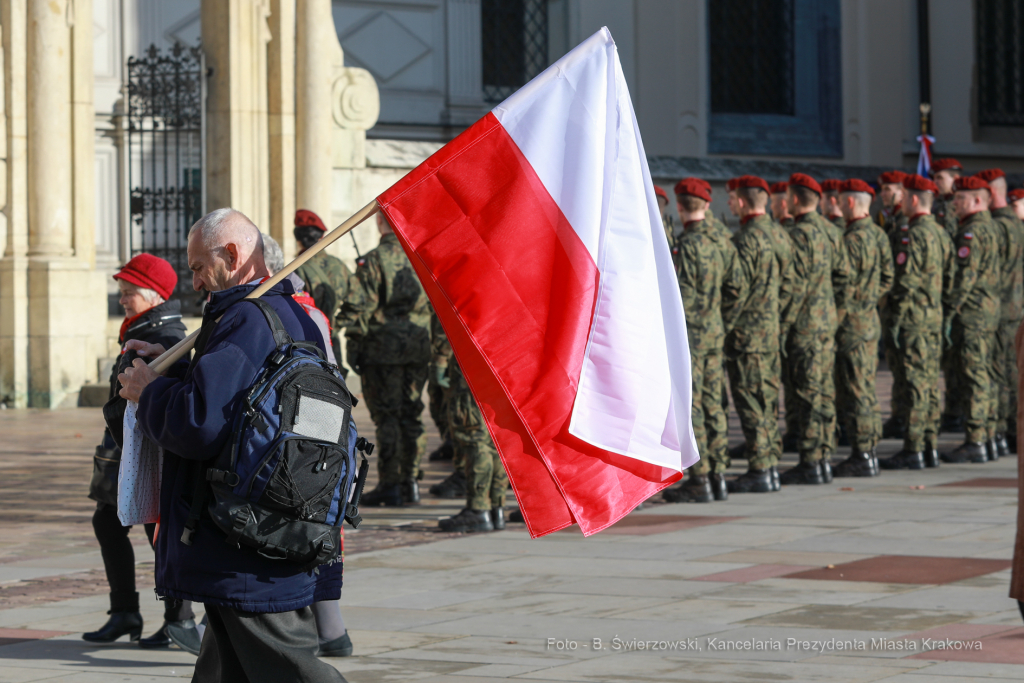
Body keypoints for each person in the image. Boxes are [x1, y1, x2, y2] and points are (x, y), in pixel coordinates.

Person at [117, 208, 347, 682]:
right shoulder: (285, 311)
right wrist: (174, 367)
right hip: (261, 528)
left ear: (234, 254)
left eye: (200, 267)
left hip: (245, 542)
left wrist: (149, 391)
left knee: (289, 670)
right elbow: (235, 400)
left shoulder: (246, 319)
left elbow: (199, 424)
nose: (196, 282)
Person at [83, 254, 197, 650]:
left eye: (130, 292)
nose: (123, 300)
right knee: (107, 523)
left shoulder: (166, 335)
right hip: (120, 452)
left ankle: (179, 619)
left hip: (148, 452)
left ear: (154, 294)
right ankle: (124, 612)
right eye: (123, 292)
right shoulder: (144, 326)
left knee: (158, 532)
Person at [262, 233, 354, 658]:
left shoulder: (279, 312)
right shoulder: (307, 309)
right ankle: (331, 630)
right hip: (319, 438)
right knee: (318, 528)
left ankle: (319, 632)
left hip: (301, 439)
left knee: (304, 529)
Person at [341, 213, 432, 507]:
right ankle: (412, 481)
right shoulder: (422, 258)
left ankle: (392, 483)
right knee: (412, 413)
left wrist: (354, 347)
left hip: (383, 352)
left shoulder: (374, 260)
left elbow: (359, 308)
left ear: (381, 223)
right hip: (418, 348)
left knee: (388, 417)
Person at [778, 174, 851, 485]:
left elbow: (794, 288)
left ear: (794, 200)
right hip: (825, 326)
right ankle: (822, 457)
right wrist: (835, 315)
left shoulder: (798, 235)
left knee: (807, 393)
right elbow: (845, 279)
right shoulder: (832, 232)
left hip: (804, 328)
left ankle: (810, 462)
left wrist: (783, 325)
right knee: (823, 392)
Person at [663, 178, 731, 502]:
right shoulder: (721, 243)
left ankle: (700, 479)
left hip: (693, 338)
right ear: (706, 205)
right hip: (715, 334)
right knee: (715, 404)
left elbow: (681, 299)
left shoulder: (687, 246)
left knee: (696, 407)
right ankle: (718, 474)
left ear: (679, 207)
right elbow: (736, 288)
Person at [879, 175, 948, 471]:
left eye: (904, 196)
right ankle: (929, 444)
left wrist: (894, 319)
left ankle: (914, 447)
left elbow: (906, 281)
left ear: (914, 199)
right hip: (932, 317)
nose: (900, 201)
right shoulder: (941, 233)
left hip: (913, 320)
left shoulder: (913, 233)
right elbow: (952, 277)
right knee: (929, 383)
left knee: (913, 385)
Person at [722, 176, 784, 493]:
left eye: (732, 199)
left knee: (752, 403)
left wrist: (724, 326)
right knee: (767, 401)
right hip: (771, 333)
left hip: (749, 337)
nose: (729, 204)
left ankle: (760, 469)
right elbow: (791, 287)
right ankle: (769, 465)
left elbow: (737, 291)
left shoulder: (747, 238)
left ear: (743, 201)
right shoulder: (779, 234)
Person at [832, 180, 892, 477]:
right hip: (869, 321)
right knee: (865, 388)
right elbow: (888, 277)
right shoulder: (878, 235)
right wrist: (869, 301)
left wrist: (838, 318)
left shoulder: (852, 240)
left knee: (856, 391)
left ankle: (863, 453)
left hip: (852, 326)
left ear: (851, 203)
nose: (839, 206)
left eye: (842, 201)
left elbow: (843, 287)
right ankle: (868, 449)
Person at [941, 176, 1003, 464]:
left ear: (977, 200)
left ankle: (976, 440)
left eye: (960, 198)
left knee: (973, 376)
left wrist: (947, 309)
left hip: (972, 313)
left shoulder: (972, 233)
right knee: (984, 375)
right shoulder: (991, 228)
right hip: (988, 311)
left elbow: (964, 278)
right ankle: (987, 437)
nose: (955, 203)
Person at [435, 323, 509, 532]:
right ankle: (496, 508)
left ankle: (478, 510)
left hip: (471, 362)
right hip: (498, 359)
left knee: (474, 438)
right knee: (493, 440)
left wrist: (439, 363)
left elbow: (450, 320)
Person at [974, 169, 1023, 459]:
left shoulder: (996, 227)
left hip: (999, 308)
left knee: (999, 373)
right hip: (1016, 307)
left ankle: (1003, 432)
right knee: (1013, 372)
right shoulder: (1017, 224)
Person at [293, 209, 358, 369]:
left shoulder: (295, 270)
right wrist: (334, 326)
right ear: (322, 236)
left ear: (298, 239)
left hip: (308, 345)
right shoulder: (339, 266)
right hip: (332, 342)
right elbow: (358, 303)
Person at [877, 170, 910, 440]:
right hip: (892, 307)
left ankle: (912, 429)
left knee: (910, 372)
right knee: (898, 368)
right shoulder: (891, 222)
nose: (883, 194)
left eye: (889, 189)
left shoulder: (905, 224)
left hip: (906, 309)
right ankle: (900, 418)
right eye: (883, 189)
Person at [931, 158, 963, 238]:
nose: (935, 182)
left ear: (955, 178)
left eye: (940, 178)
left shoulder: (964, 203)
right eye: (934, 178)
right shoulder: (934, 202)